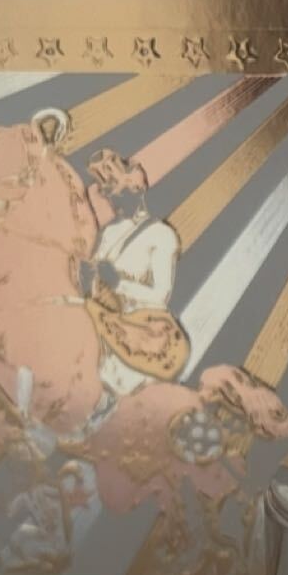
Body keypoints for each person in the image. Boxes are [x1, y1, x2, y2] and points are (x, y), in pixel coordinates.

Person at [79, 150, 189, 406]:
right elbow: (95, 274)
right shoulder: (109, 232)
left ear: (137, 191)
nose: (112, 199)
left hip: (138, 330)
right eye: (109, 193)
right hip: (98, 313)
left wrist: (120, 285)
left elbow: (160, 294)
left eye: (117, 191)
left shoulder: (161, 235)